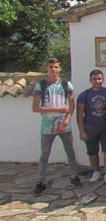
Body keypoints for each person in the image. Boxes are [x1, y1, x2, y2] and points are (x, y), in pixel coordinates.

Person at [32, 58, 82, 195]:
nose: (53, 69)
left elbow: (72, 104)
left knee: (70, 151)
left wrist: (66, 120)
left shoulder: (66, 84)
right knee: (44, 154)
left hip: (64, 124)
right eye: (51, 67)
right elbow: (35, 107)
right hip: (47, 125)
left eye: (55, 67)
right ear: (46, 68)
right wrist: (56, 110)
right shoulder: (41, 86)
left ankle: (74, 176)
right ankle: (41, 181)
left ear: (59, 68)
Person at [77, 69, 106, 183]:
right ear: (90, 80)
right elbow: (79, 115)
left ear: (103, 79)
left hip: (105, 126)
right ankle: (96, 171)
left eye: (99, 79)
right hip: (90, 127)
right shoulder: (84, 95)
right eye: (95, 79)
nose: (97, 81)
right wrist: (81, 131)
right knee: (92, 151)